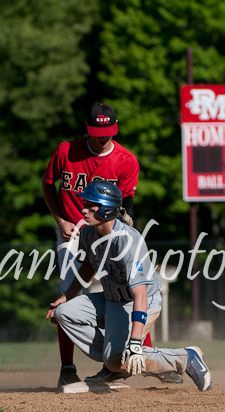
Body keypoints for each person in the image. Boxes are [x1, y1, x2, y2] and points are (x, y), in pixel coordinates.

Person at [42, 103, 180, 387]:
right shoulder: (66, 151)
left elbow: (127, 206)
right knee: (68, 295)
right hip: (71, 231)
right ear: (87, 128)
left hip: (106, 230)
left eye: (109, 131)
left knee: (130, 288)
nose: (103, 137)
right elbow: (47, 183)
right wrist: (60, 221)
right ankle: (68, 368)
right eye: (98, 132)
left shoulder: (126, 160)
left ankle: (146, 359)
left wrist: (128, 242)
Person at [45, 181, 212, 391]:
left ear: (107, 210)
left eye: (90, 206)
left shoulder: (127, 241)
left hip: (142, 301)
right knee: (64, 312)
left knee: (118, 356)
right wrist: (67, 295)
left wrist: (134, 342)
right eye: (85, 204)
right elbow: (88, 266)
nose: (84, 210)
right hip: (112, 300)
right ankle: (115, 362)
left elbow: (140, 295)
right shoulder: (88, 233)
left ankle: (185, 358)